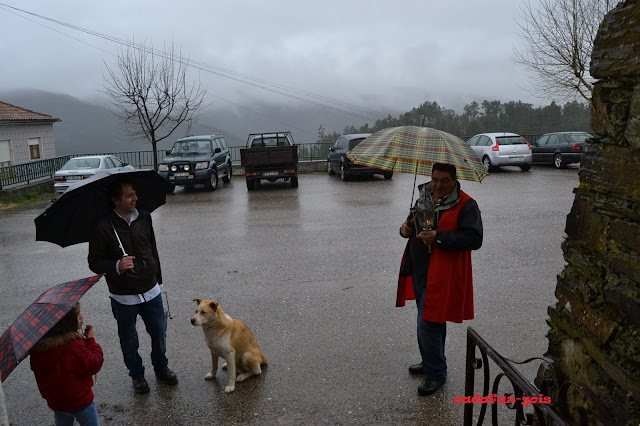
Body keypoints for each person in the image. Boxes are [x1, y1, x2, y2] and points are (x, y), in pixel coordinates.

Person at [396, 163, 483, 396]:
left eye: (444, 180)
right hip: (420, 269)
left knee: (427, 322)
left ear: (454, 180)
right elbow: (410, 224)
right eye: (435, 179)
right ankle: (430, 361)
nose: (438, 185)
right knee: (432, 321)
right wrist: (404, 229)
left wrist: (439, 238)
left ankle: (436, 372)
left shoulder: (467, 204)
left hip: (443, 274)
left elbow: (474, 238)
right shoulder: (424, 198)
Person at [88, 180, 178, 394]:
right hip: (123, 296)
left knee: (159, 332)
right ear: (115, 200)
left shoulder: (144, 217)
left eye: (135, 194)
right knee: (129, 340)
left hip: (151, 290)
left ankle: (161, 367)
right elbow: (94, 262)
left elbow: (152, 248)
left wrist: (158, 279)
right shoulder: (103, 226)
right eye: (129, 195)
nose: (135, 198)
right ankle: (137, 375)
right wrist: (116, 265)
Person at [30, 303, 103, 426]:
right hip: (80, 402)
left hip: (57, 403)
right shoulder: (73, 345)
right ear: (66, 321)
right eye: (77, 314)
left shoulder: (38, 348)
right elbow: (93, 363)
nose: (81, 316)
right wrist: (91, 341)